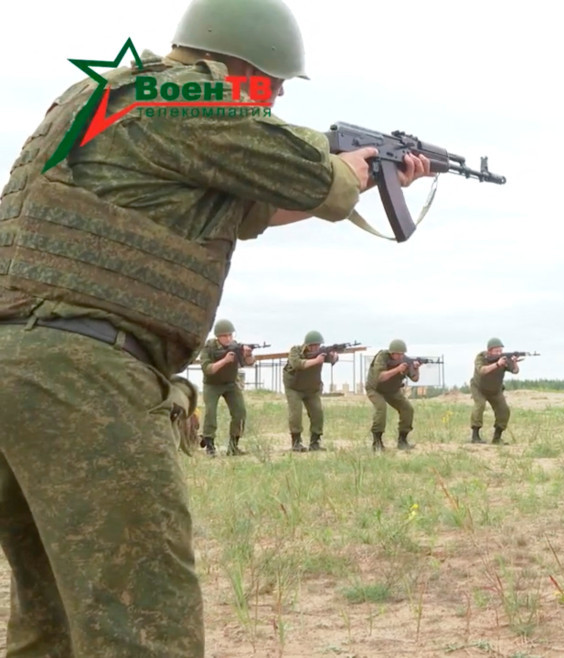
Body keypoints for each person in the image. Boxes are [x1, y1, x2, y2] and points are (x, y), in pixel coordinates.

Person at [0, 0, 433, 651]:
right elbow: (312, 171)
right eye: (273, 85)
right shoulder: (191, 97)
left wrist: (363, 176)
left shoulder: (109, 96)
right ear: (242, 66)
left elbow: (252, 205)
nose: (276, 98)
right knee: (145, 618)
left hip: (22, 369)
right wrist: (360, 170)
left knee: (54, 618)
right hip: (83, 376)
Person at [198, 318, 254, 456]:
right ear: (218, 337)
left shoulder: (236, 346)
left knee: (240, 413)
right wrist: (224, 360)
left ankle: (234, 446)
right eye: (225, 336)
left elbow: (250, 363)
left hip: (230, 384)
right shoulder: (209, 348)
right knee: (210, 413)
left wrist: (248, 354)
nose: (228, 338)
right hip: (212, 384)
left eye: (230, 335)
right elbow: (207, 369)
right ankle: (210, 446)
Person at [283, 330, 343, 452]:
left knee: (317, 414)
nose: (315, 348)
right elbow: (297, 364)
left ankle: (315, 442)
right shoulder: (295, 351)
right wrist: (316, 361)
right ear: (307, 345)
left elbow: (331, 359)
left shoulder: (321, 354)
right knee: (295, 414)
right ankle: (296, 442)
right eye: (313, 345)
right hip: (294, 388)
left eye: (318, 345)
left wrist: (334, 357)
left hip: (311, 389)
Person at [366, 338, 420, 451]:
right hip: (375, 389)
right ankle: (377, 441)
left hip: (392, 390)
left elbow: (415, 379)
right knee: (381, 409)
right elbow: (380, 377)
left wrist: (416, 368)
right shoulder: (382, 357)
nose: (400, 357)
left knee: (407, 409)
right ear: (392, 353)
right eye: (398, 354)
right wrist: (397, 369)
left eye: (402, 354)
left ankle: (402, 440)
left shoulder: (406, 361)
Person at [469, 337, 522, 444]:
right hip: (479, 388)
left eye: (501, 350)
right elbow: (482, 371)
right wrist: (497, 364)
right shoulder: (481, 357)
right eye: (496, 351)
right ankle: (475, 436)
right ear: (489, 351)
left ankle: (497, 438)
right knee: (479, 406)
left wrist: (514, 362)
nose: (499, 353)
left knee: (504, 410)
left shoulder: (504, 359)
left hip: (495, 390)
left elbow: (515, 371)